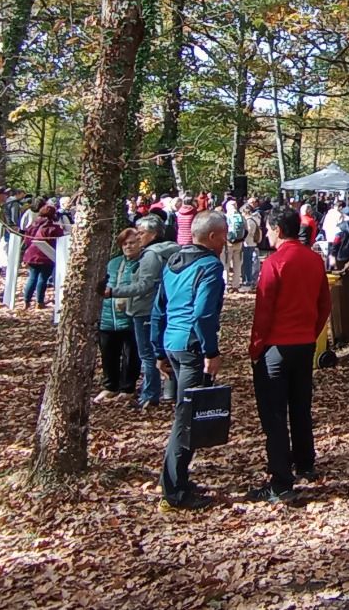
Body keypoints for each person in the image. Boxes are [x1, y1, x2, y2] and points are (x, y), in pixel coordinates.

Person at [248, 205, 332, 502]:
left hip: (277, 347)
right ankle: (305, 461)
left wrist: (256, 348)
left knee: (274, 414)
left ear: (278, 230)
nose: (267, 234)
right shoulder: (314, 260)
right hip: (303, 344)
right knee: (299, 405)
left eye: (269, 230)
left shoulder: (275, 263)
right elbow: (325, 304)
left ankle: (280, 480)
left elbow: (264, 310)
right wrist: (311, 331)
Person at [153, 210, 229, 509]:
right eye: (223, 234)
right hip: (191, 347)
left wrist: (159, 350)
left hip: (173, 342)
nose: (226, 240)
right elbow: (203, 313)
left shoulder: (173, 262)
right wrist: (211, 351)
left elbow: (160, 308)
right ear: (211, 237)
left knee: (185, 413)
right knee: (186, 418)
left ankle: (178, 478)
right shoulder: (209, 266)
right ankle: (174, 490)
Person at [106, 215, 179, 409]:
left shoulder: (150, 255)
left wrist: (113, 292)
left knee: (148, 354)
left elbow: (144, 285)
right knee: (159, 352)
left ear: (153, 234)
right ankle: (168, 391)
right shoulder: (164, 251)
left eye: (141, 233)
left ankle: (149, 395)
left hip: (145, 309)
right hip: (158, 307)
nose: (138, 237)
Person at [98, 230, 143, 402]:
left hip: (130, 316)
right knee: (109, 353)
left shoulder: (143, 263)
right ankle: (110, 386)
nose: (128, 247)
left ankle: (128, 387)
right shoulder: (113, 263)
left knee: (131, 354)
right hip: (108, 316)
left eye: (132, 243)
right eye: (125, 244)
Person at [21, 205, 65, 309]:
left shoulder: (33, 225)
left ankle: (26, 301)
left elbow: (27, 240)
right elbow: (60, 242)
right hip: (46, 255)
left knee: (32, 277)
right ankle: (39, 302)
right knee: (42, 278)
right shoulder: (54, 228)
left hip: (32, 254)